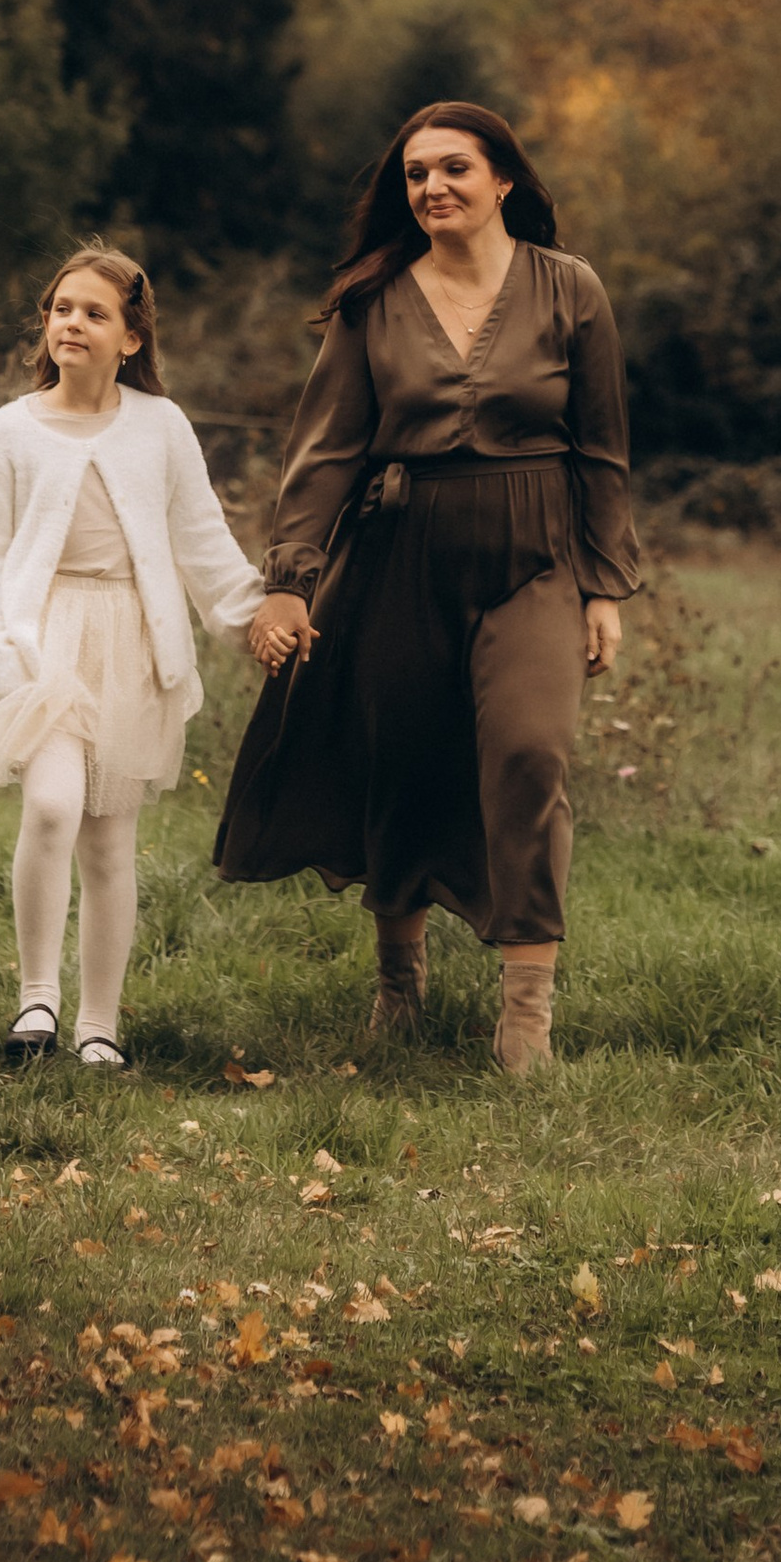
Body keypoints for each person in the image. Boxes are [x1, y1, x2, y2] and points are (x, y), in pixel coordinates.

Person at [214, 102, 642, 1072]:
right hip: (398, 558)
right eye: (415, 175)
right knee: (401, 760)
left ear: (504, 183)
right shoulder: (373, 301)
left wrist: (603, 588)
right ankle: (397, 983)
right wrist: (289, 583)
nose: (432, 188)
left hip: (535, 561)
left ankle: (524, 1012)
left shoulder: (569, 291)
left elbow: (602, 452)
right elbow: (321, 455)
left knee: (531, 756)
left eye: (454, 168)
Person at [0, 245, 271, 1071]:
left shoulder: (159, 426)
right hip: (41, 639)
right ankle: (36, 1003)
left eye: (95, 313)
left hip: (130, 641)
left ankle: (98, 1024)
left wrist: (257, 618)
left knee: (108, 840)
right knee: (54, 804)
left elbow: (203, 542)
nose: (72, 325)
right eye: (61, 309)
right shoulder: (11, 429)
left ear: (131, 337)